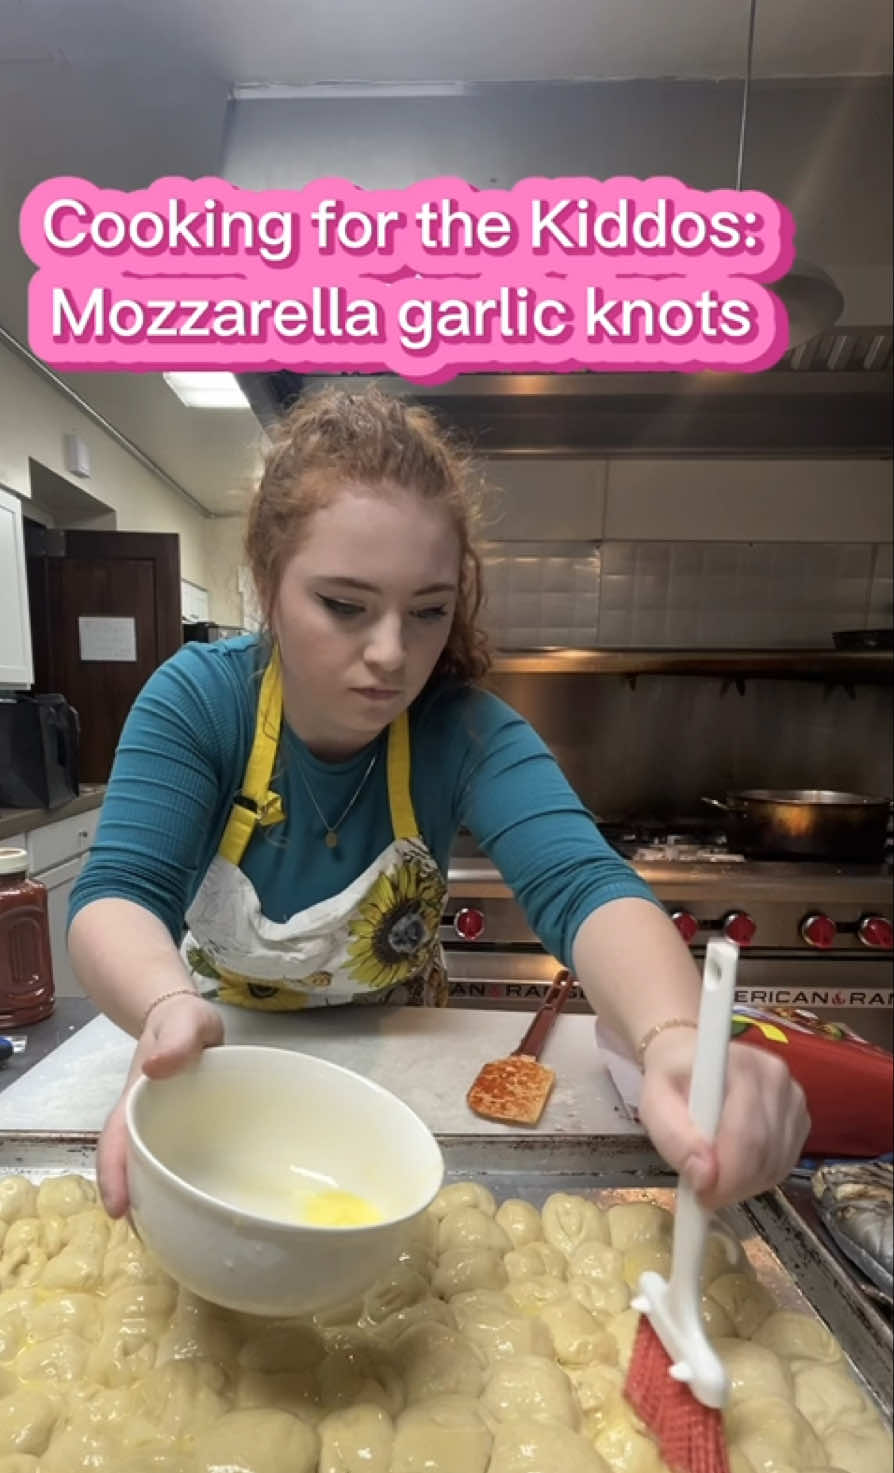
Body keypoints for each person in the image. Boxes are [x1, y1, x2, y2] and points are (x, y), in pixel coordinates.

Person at [69, 387, 809, 1220]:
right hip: (222, 1057)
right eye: (344, 606)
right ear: (269, 585)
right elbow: (118, 894)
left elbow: (583, 885)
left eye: (427, 611)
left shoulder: (462, 729)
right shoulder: (202, 703)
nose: (392, 653)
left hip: (405, 1074)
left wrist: (675, 1038)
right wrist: (166, 1007)